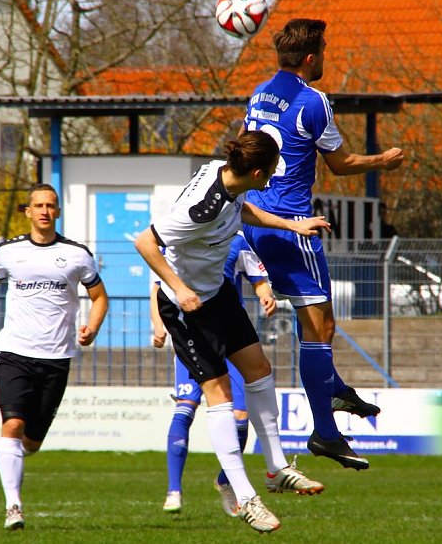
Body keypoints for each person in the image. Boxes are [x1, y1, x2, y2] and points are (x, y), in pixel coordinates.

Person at [134, 131, 330, 534]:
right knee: (219, 392)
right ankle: (246, 496)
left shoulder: (228, 178)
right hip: (188, 307)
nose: (273, 179)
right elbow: (145, 243)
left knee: (258, 369)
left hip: (218, 294)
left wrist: (292, 225)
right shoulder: (197, 209)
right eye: (271, 172)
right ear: (257, 171)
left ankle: (275, 468)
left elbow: (245, 212)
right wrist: (181, 288)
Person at [241, 18, 404, 470]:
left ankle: (332, 388)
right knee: (321, 329)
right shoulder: (313, 101)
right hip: (294, 226)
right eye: (325, 51)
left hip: (256, 220)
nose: (326, 58)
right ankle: (326, 434)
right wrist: (383, 161)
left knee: (311, 323)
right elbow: (341, 162)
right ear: (311, 58)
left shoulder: (258, 93)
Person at [0, 184, 109, 531]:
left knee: (32, 442)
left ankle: (12, 460)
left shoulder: (77, 255)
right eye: (38, 205)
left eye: (50, 206)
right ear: (27, 211)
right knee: (12, 424)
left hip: (57, 358)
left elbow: (99, 297)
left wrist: (93, 327)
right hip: (13, 351)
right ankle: (13, 506)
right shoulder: (8, 252)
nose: (44, 211)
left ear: (57, 212)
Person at [154, 231, 324, 517]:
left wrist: (265, 296)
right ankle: (174, 489)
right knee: (185, 409)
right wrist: (158, 325)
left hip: (230, 336)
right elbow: (159, 286)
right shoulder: (179, 233)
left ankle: (227, 480)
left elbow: (257, 279)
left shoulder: (237, 239)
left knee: (241, 417)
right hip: (191, 333)